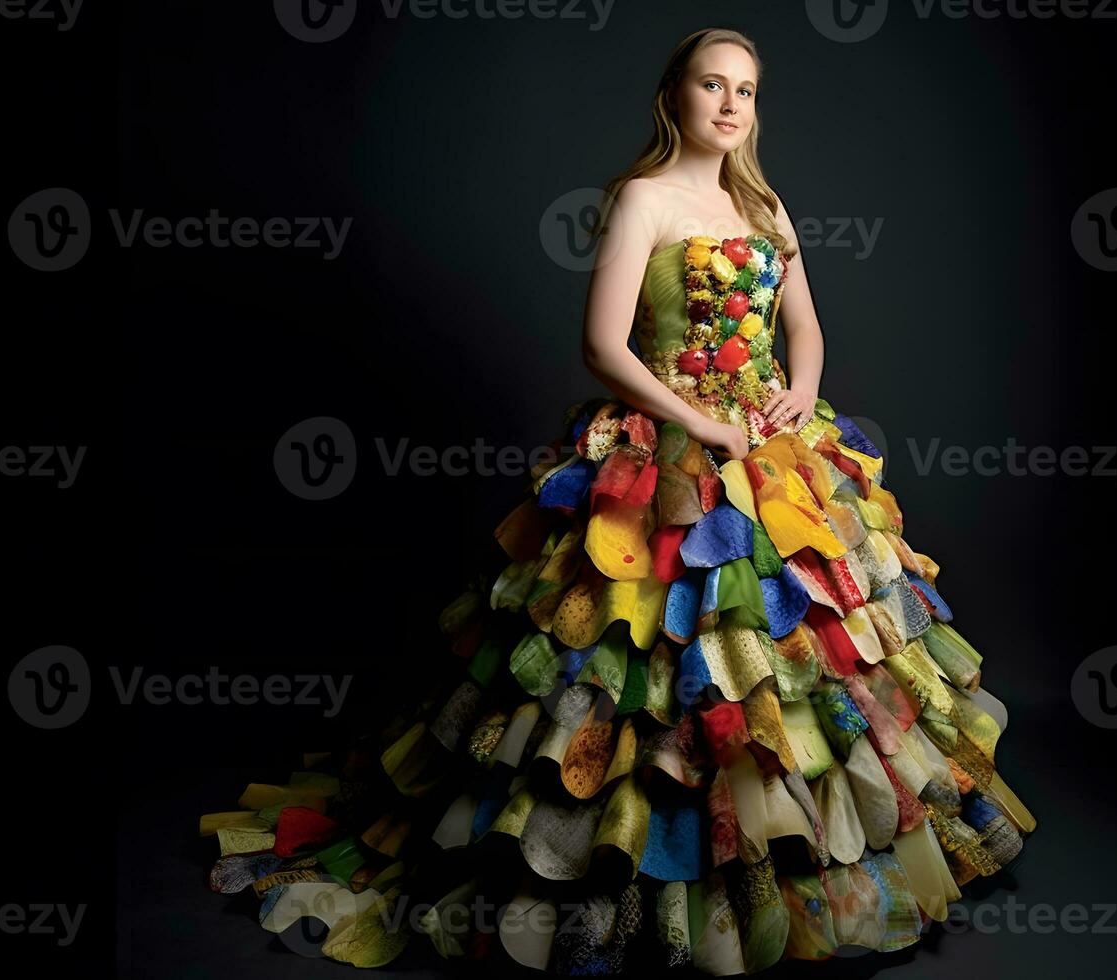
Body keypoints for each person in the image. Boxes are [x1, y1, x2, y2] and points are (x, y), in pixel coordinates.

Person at [199, 26, 1037, 975]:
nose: (731, 106)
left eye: (748, 91)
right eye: (712, 86)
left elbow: (804, 328)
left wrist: (798, 391)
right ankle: (646, 860)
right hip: (668, 446)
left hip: (771, 451)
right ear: (673, 97)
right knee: (640, 649)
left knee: (795, 655)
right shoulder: (644, 199)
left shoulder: (764, 203)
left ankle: (779, 847)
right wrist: (704, 424)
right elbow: (604, 346)